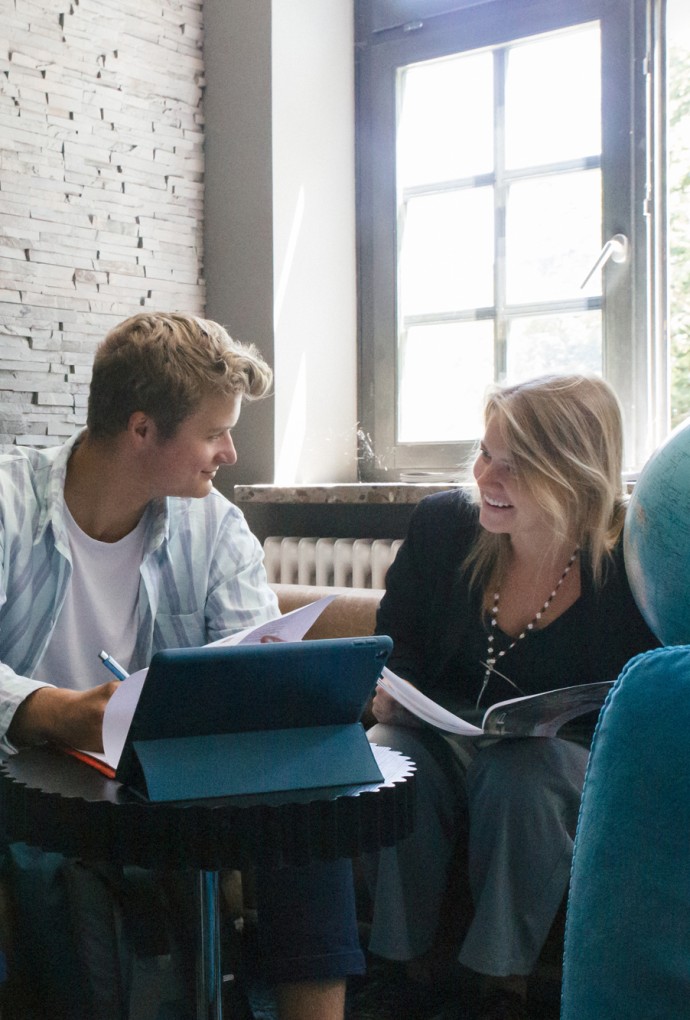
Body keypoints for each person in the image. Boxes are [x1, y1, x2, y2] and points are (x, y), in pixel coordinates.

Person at [0, 311, 364, 1020]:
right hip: (26, 766)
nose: (229, 452)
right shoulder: (10, 503)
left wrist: (304, 694)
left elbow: (254, 654)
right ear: (142, 430)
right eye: (215, 431)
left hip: (159, 770)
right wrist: (57, 711)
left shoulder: (214, 523)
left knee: (311, 807)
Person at [364, 374, 660, 1020]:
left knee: (522, 776)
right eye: (484, 452)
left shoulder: (625, 571)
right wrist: (384, 696)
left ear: (574, 475)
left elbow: (638, 704)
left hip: (556, 767)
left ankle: (497, 988)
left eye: (513, 464)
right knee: (388, 754)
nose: (484, 476)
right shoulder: (443, 529)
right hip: (439, 741)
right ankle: (392, 973)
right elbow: (393, 649)